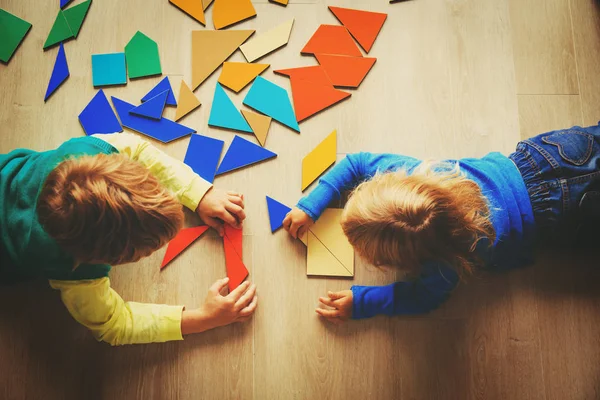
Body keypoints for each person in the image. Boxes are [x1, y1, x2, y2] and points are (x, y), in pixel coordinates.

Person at [283, 124, 600, 323]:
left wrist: (364, 302)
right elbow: (357, 162)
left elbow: (422, 297)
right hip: (550, 156)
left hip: (565, 214)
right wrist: (311, 205)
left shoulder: (446, 264)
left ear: (405, 262)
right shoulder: (416, 174)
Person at [0, 132, 258, 345]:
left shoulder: (92, 150)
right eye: (149, 249)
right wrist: (203, 318)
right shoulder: (74, 271)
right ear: (111, 260)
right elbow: (114, 325)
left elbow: (139, 150)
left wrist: (199, 194)